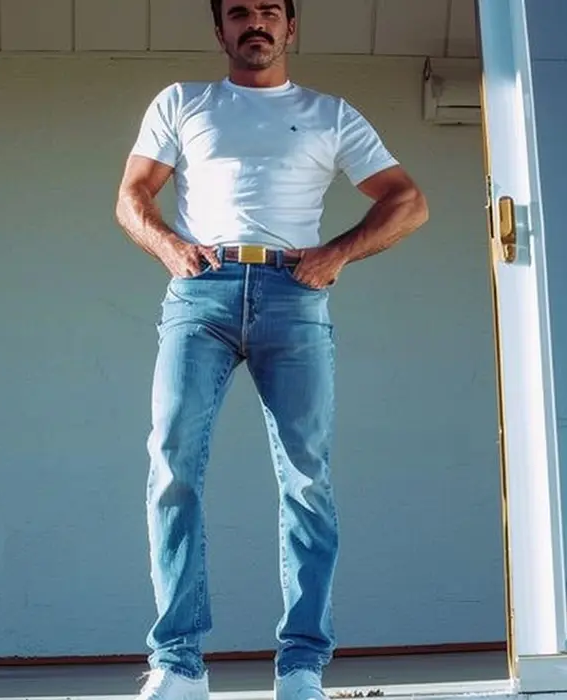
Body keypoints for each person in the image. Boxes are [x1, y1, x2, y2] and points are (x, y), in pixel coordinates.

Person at [115, 1, 429, 698]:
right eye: (238, 12)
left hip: (294, 292)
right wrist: (170, 246)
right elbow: (132, 195)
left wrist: (337, 254)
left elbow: (407, 201)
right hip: (202, 291)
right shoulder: (184, 102)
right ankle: (178, 664)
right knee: (172, 464)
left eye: (268, 11)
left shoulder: (330, 114)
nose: (253, 22)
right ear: (220, 31)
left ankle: (301, 666)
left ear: (291, 28)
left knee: (306, 478)